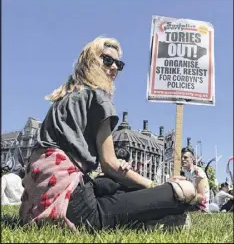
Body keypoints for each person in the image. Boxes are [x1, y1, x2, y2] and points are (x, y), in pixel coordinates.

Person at [19, 36, 202, 231]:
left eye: (119, 64)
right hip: (74, 208)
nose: (114, 67)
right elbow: (110, 165)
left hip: (37, 203)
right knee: (182, 192)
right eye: (107, 60)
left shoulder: (64, 98)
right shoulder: (99, 98)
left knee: (111, 184)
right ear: (89, 60)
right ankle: (161, 218)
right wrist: (155, 186)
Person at [172, 147, 210, 213]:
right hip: (192, 204)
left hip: (200, 208)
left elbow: (201, 196)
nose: (182, 159)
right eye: (182, 157)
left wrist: (185, 198)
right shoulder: (188, 172)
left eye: (185, 157)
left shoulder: (198, 172)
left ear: (192, 159)